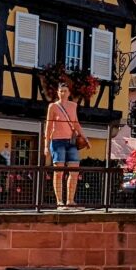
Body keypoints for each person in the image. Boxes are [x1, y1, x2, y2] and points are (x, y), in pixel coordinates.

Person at [43, 80, 86, 209]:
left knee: (74, 171)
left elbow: (76, 123)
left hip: (71, 141)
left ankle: (70, 200)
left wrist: (84, 136)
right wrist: (46, 145)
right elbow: (48, 126)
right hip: (57, 141)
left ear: (69, 93)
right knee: (59, 172)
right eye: (60, 91)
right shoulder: (53, 107)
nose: (62, 93)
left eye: (65, 91)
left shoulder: (73, 106)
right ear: (58, 92)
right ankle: (59, 201)